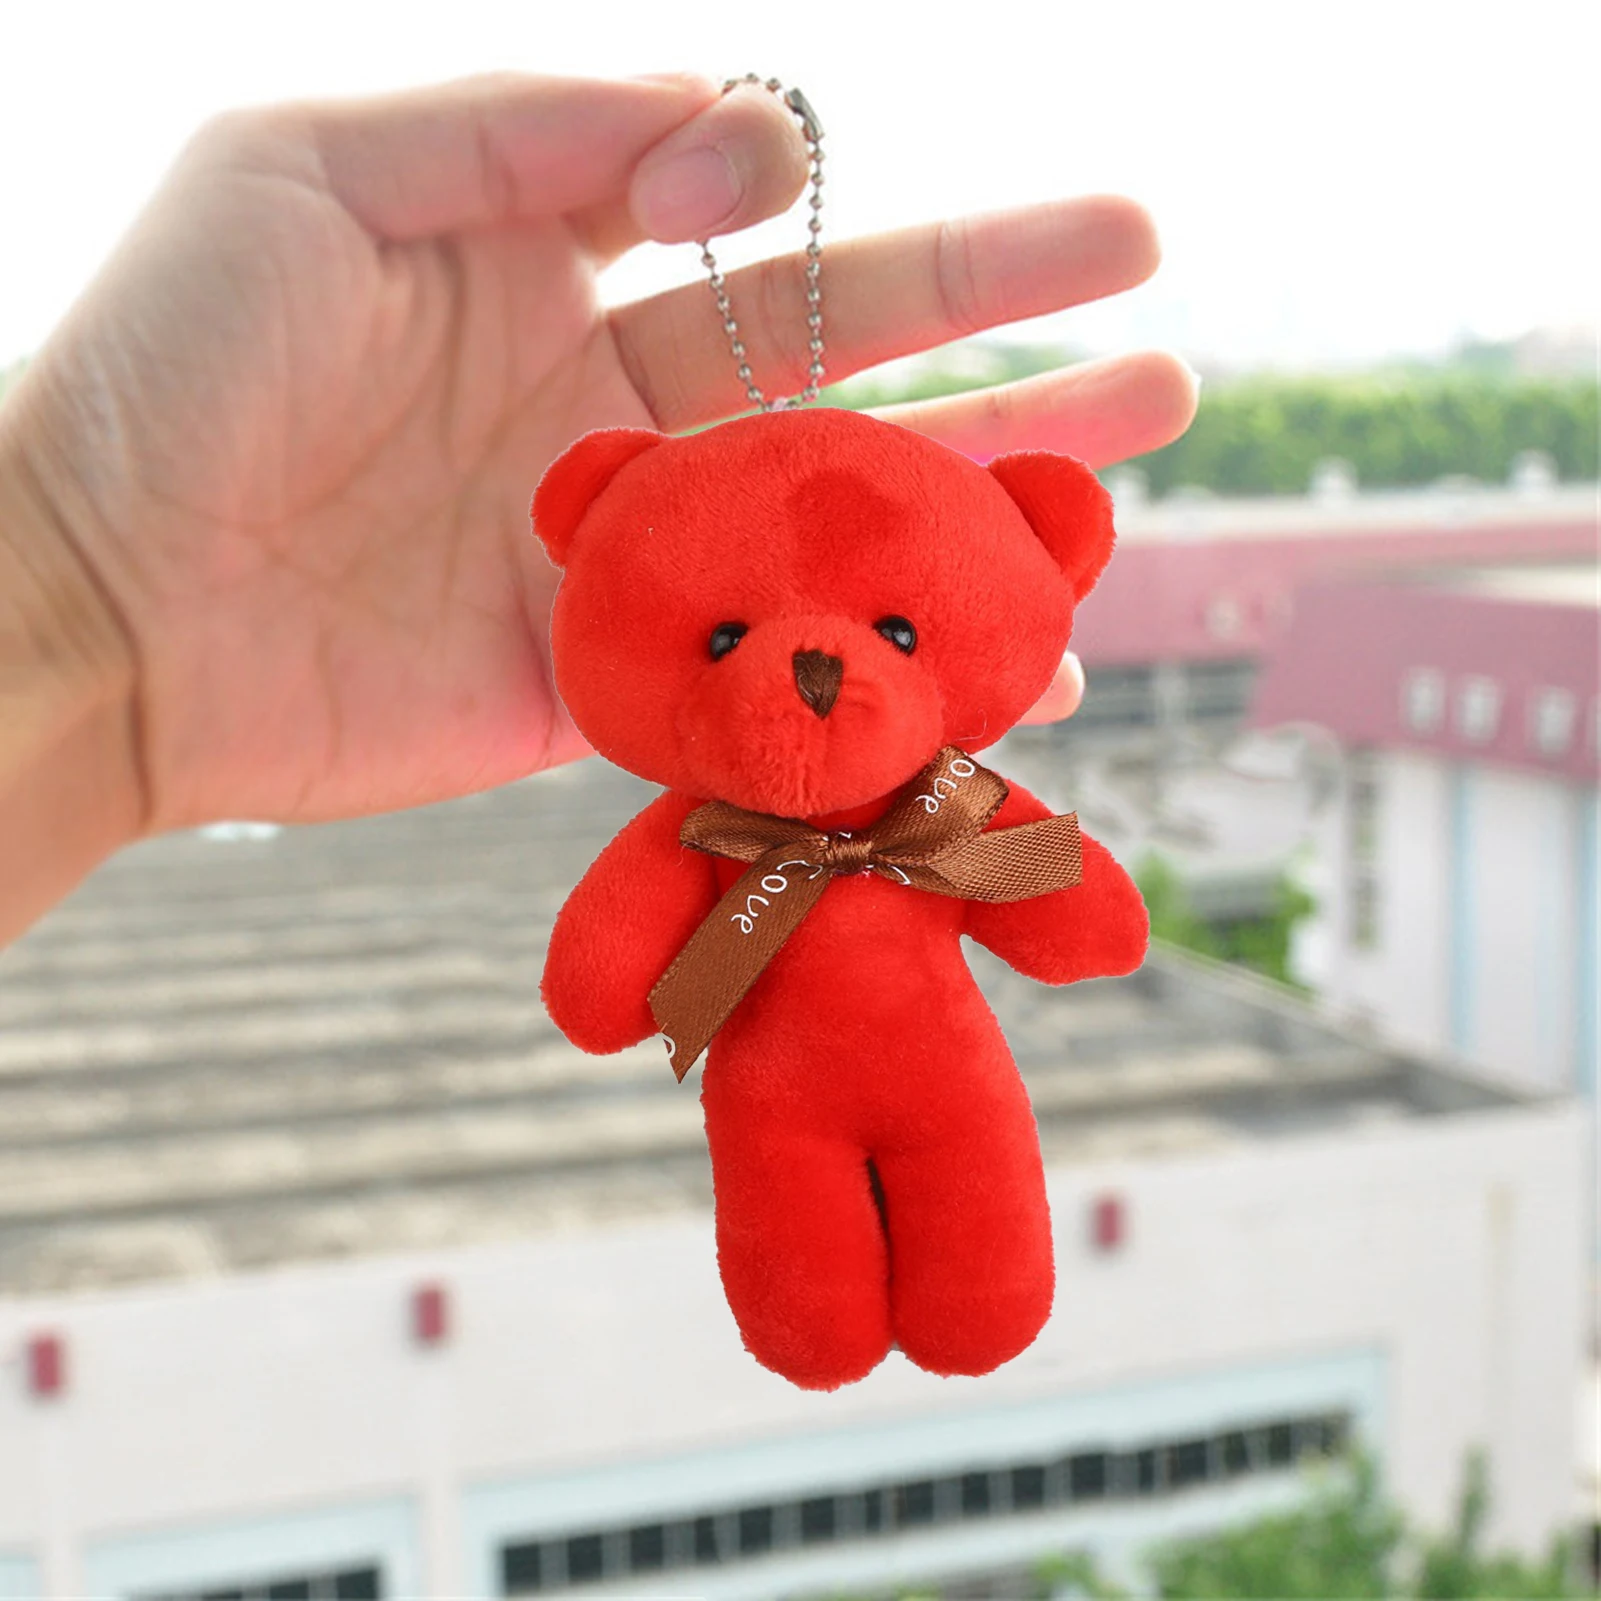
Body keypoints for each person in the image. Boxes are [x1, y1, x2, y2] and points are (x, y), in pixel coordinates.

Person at [0, 72, 1196, 944]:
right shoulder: (749, 835)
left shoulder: (941, 819)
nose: (816, 671)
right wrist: (65, 554)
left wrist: (81, 609)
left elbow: (1077, 911)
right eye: (723, 637)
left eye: (894, 632)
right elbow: (607, 968)